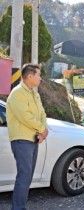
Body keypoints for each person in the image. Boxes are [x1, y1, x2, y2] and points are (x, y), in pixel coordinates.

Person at [6, 63, 48, 210]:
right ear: (30, 76)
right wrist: (43, 129)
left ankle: (20, 206)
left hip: (33, 138)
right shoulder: (17, 93)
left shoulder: (34, 94)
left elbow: (42, 114)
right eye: (38, 75)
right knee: (24, 176)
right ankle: (18, 208)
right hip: (21, 140)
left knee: (27, 176)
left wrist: (42, 131)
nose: (40, 78)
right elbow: (26, 117)